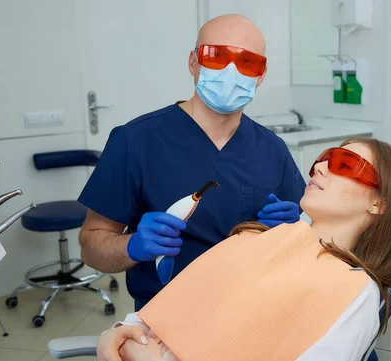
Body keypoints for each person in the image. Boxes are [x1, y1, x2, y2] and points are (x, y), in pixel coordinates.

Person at [0, 137, 391, 361]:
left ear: (380, 203)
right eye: (323, 157)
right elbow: (176, 308)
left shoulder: (354, 290)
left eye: (345, 163)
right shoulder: (259, 236)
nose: (320, 164)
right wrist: (117, 332)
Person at [77, 14, 306, 311]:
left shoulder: (272, 149)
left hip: (251, 310)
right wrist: (131, 246)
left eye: (247, 62)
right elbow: (91, 245)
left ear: (260, 76)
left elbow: (306, 241)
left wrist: (297, 229)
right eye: (216, 56)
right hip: (165, 318)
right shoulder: (135, 140)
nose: (230, 71)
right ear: (193, 62)